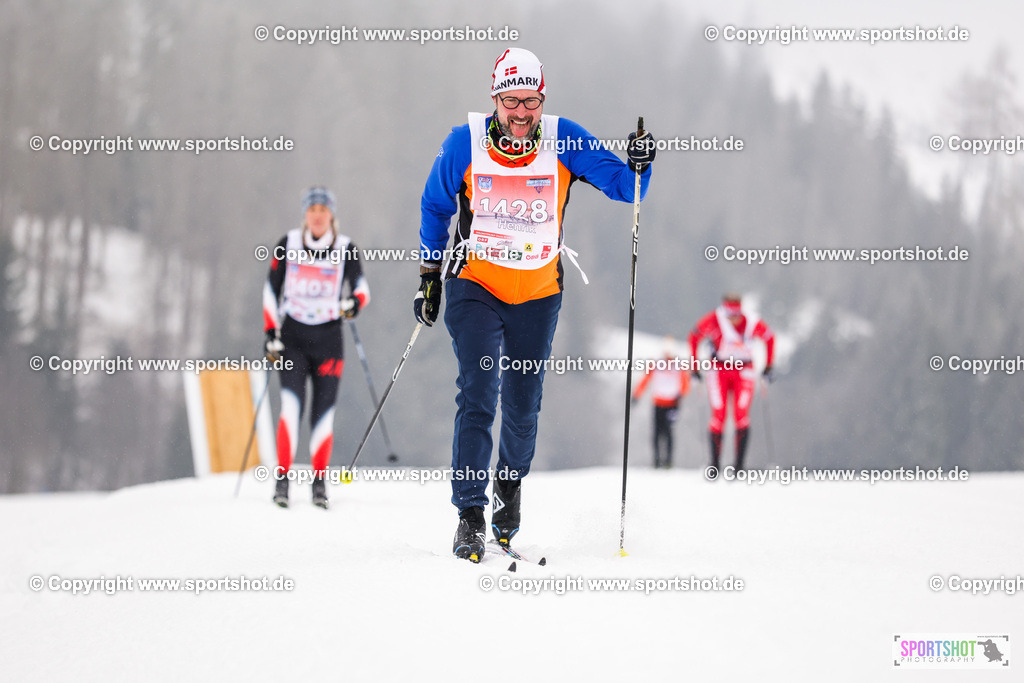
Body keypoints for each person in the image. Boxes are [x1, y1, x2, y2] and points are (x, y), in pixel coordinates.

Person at [413, 47, 656, 562]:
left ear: (543, 99)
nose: (521, 113)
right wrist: (429, 275)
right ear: (495, 99)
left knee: (523, 407)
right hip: (475, 285)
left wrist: (640, 164)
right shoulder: (464, 143)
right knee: (479, 393)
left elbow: (624, 187)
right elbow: (435, 206)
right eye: (511, 101)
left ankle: (508, 492)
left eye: (531, 101)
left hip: (538, 293)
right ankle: (470, 516)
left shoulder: (564, 138)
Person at [262, 186, 370, 509]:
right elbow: (270, 290)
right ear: (305, 215)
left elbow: (362, 289)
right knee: (290, 407)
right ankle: (282, 481)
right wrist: (270, 332)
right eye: (312, 210)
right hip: (292, 338)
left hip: (329, 341)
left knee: (323, 415)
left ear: (331, 215)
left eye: (323, 210)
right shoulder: (289, 243)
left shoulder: (346, 248)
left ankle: (319, 484)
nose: (318, 216)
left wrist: (353, 303)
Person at [688, 294, 774, 471]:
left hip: (744, 370)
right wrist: (694, 367)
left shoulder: (751, 322)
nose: (733, 320)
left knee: (741, 414)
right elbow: (694, 337)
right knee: (718, 414)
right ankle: (714, 465)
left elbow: (769, 338)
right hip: (718, 370)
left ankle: (739, 466)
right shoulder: (714, 319)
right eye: (729, 315)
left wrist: (768, 367)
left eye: (736, 315)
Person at [632, 337, 690, 469]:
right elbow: (645, 380)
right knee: (657, 433)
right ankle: (656, 460)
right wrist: (637, 395)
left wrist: (681, 394)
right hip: (658, 403)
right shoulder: (656, 364)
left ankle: (668, 461)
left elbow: (685, 383)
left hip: (673, 404)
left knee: (669, 432)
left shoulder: (679, 365)